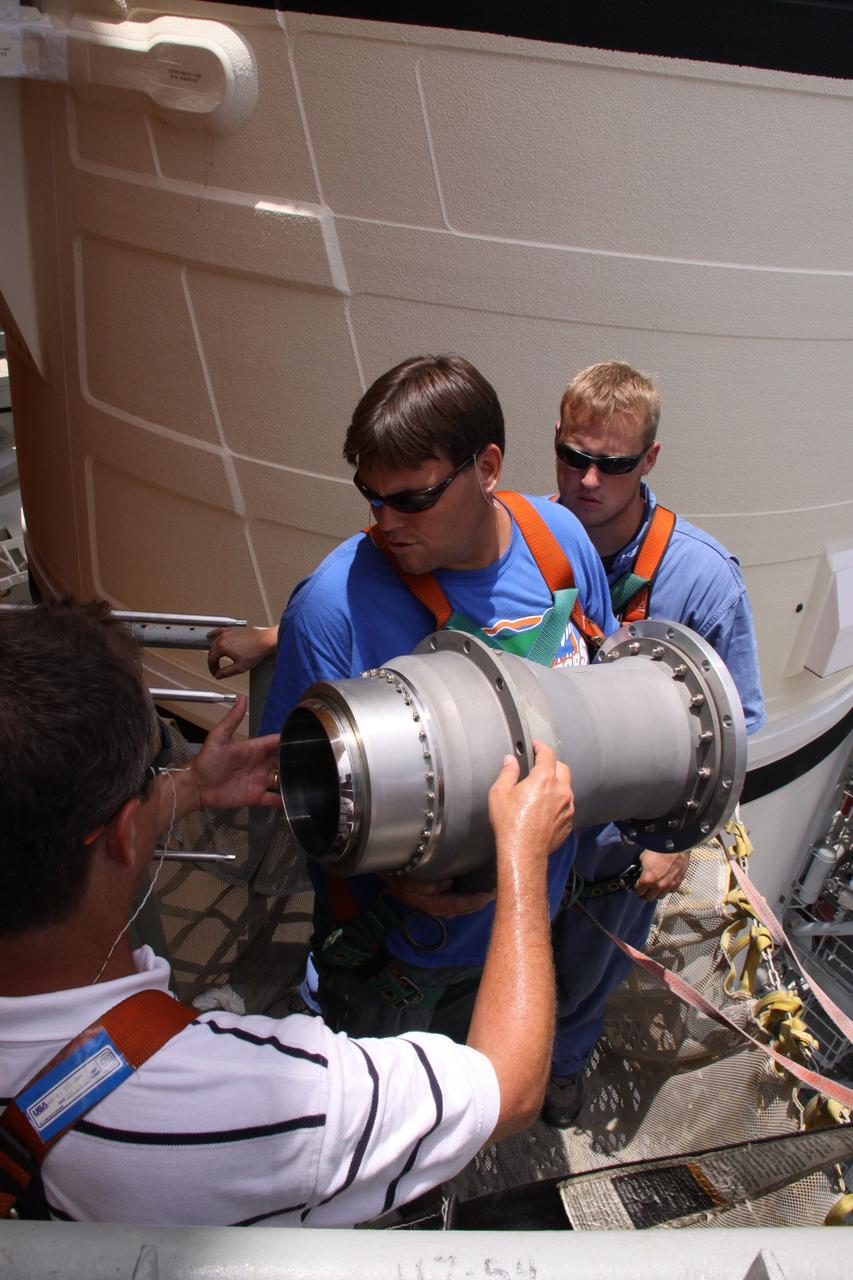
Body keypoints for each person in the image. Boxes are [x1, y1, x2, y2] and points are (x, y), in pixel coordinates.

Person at [0, 598, 574, 1226]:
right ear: (123, 831)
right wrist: (523, 855)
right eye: (154, 772)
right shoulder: (251, 1106)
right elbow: (509, 1086)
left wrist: (186, 787)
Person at [257, 353, 616, 1042]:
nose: (386, 521)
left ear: (486, 468)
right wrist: (389, 881)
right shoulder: (334, 609)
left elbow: (596, 688)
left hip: (529, 927)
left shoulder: (558, 541)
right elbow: (286, 797)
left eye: (413, 499)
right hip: (403, 966)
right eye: (371, 495)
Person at [545, 359, 766, 1127]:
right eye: (572, 456)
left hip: (617, 845)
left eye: (612, 463)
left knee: (583, 972)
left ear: (650, 461)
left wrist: (678, 843)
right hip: (530, 813)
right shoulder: (522, 543)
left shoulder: (700, 580)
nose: (587, 480)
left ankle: (562, 1069)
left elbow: (737, 727)